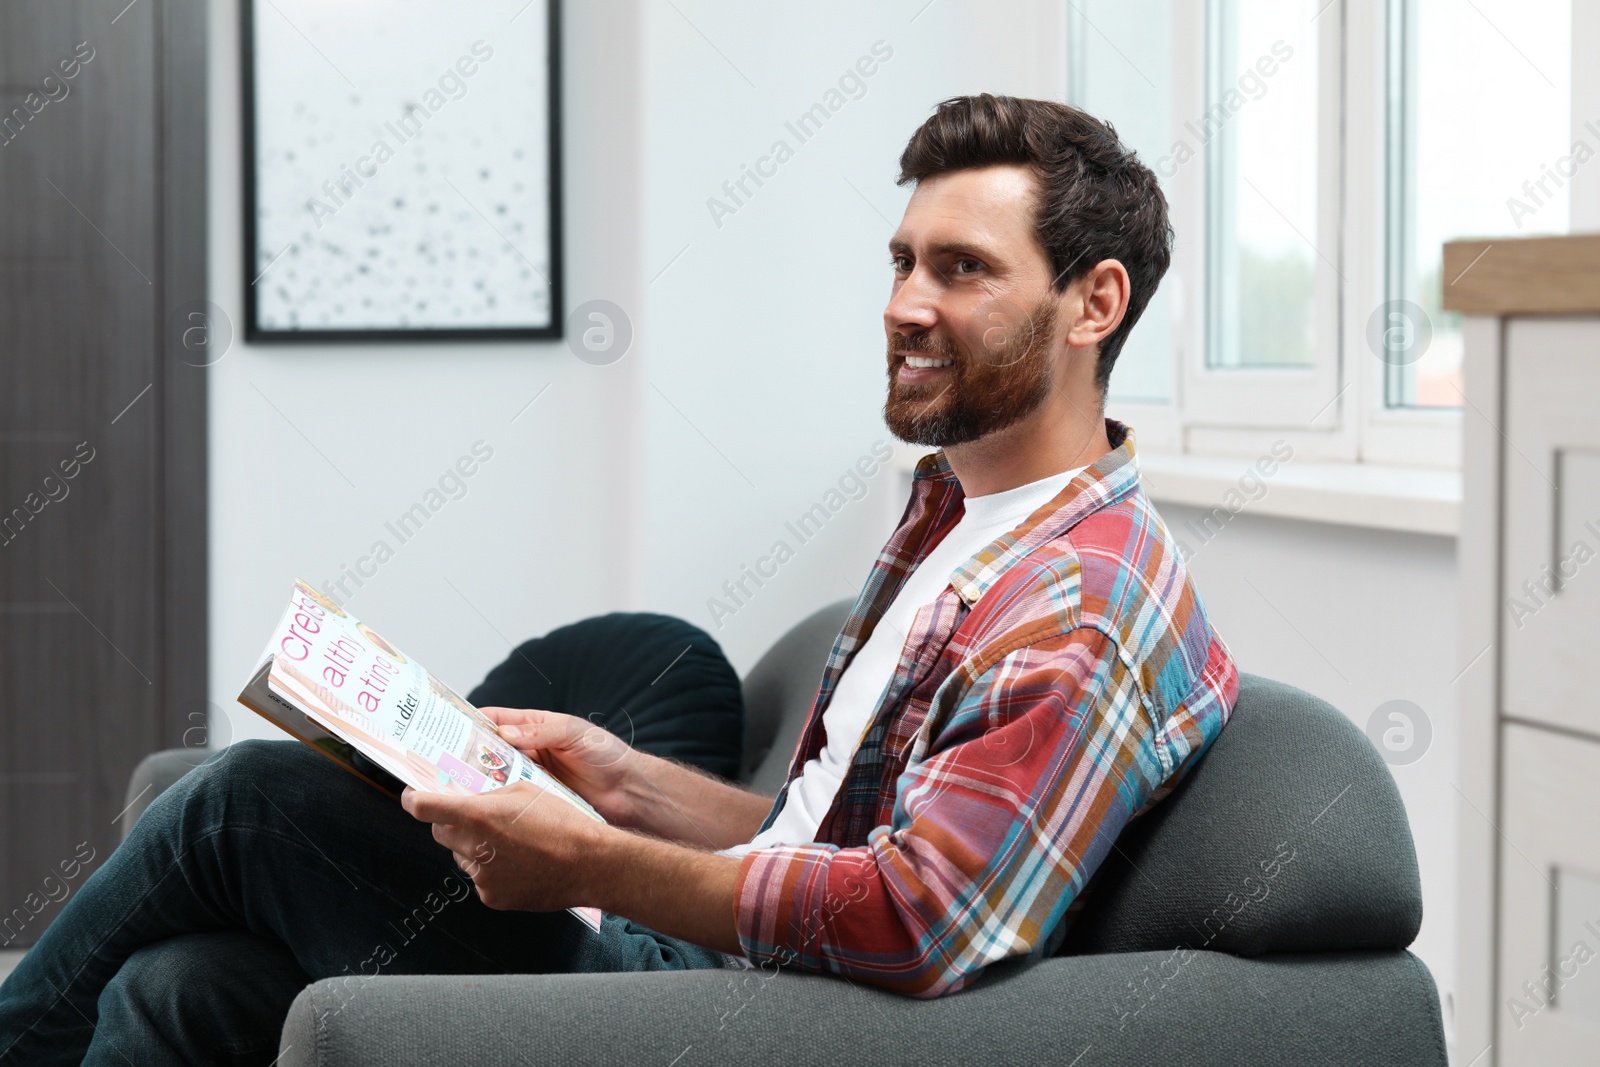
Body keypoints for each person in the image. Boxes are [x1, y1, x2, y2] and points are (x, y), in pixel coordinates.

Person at [0, 94, 1236, 1065]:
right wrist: (625, 782)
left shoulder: (1080, 601)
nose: (905, 303)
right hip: (699, 963)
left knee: (246, 799)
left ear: (1094, 305)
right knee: (178, 989)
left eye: (961, 269)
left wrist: (585, 862)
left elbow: (917, 918)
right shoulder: (957, 515)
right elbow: (833, 843)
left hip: (754, 1028)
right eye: (902, 258)